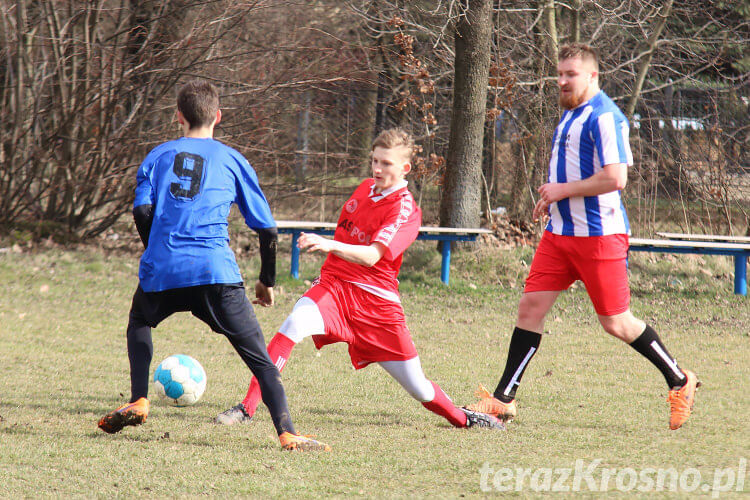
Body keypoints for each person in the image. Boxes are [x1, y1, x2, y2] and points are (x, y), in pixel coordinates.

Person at [466, 43, 699, 430]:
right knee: (530, 309)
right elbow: (573, 173)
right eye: (559, 74)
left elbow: (616, 177)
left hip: (599, 238)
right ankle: (503, 400)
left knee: (617, 323)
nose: (562, 81)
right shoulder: (570, 114)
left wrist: (563, 191)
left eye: (570, 74)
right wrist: (553, 200)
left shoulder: (606, 117)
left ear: (593, 76)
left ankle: (680, 379)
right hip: (560, 235)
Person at [215, 128, 503, 430]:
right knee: (293, 325)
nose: (377, 169)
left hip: (376, 305)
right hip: (335, 286)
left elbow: (373, 256)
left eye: (386, 163)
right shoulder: (364, 188)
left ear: (404, 168)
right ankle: (247, 408)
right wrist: (332, 252)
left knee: (419, 387)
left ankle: (465, 418)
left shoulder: (405, 209)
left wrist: (330, 244)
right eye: (375, 161)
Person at [97, 80, 330, 451]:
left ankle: (139, 399)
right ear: (217, 116)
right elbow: (266, 229)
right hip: (215, 271)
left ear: (179, 117)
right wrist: (266, 281)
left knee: (140, 321)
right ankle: (287, 432)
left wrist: (156, 248)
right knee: (259, 358)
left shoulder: (157, 156)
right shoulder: (232, 159)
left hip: (164, 268)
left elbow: (142, 210)